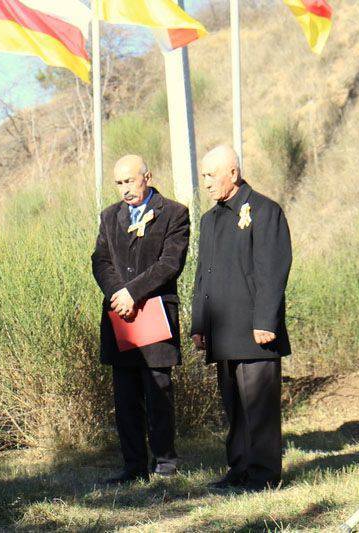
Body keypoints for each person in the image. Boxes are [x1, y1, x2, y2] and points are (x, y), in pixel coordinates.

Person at [191, 145, 292, 491]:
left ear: (232, 173)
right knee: (233, 407)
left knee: (258, 408)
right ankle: (239, 469)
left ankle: (263, 475)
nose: (205, 182)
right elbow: (203, 274)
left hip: (254, 332)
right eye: (203, 175)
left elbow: (272, 271)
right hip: (222, 330)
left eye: (210, 174)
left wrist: (266, 321)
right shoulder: (209, 219)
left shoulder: (265, 210)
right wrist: (199, 324)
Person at [91, 155, 191, 483]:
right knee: (125, 395)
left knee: (157, 389)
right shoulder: (109, 217)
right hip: (121, 317)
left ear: (147, 177)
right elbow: (101, 260)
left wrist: (133, 292)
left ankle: (165, 461)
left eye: (130, 181)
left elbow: (169, 263)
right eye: (119, 183)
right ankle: (132, 465)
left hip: (155, 314)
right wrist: (118, 294)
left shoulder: (174, 213)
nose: (125, 189)